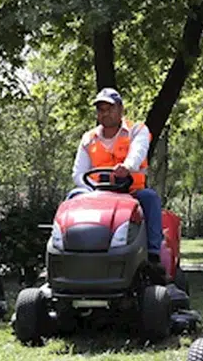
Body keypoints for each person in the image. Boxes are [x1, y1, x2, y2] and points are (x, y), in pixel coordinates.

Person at [70, 88, 163, 255]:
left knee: (150, 198)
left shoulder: (137, 130)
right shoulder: (88, 139)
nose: (105, 113)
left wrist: (127, 167)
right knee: (73, 197)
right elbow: (78, 172)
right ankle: (69, 247)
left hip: (131, 192)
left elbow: (138, 152)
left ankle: (153, 253)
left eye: (110, 108)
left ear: (121, 109)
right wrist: (91, 189)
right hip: (98, 195)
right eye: (101, 110)